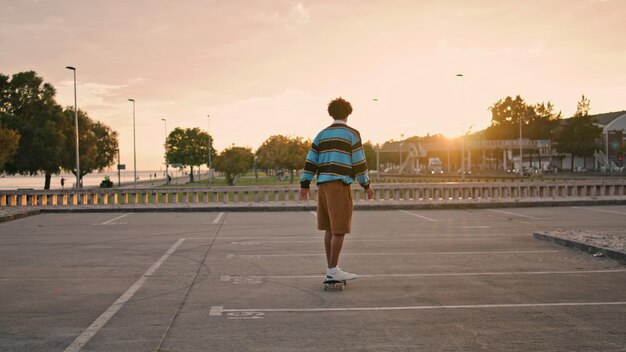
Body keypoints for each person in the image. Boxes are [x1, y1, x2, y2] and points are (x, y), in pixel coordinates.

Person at [300, 97, 374, 283]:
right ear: (348, 113)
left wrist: (304, 184)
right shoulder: (352, 134)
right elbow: (359, 163)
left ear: (331, 113)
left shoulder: (321, 135)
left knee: (329, 229)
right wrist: (366, 184)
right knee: (339, 229)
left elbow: (311, 160)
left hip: (323, 185)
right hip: (339, 185)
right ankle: (333, 270)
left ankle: (331, 267)